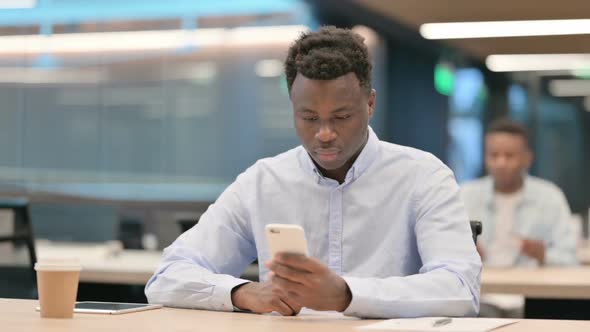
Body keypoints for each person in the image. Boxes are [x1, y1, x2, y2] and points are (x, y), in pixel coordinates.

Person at [145, 26, 481, 319]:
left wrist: (348, 295)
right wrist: (242, 293)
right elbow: (167, 277)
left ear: (370, 104)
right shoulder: (263, 182)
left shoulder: (423, 176)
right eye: (308, 117)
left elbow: (461, 289)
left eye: (341, 117)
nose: (324, 133)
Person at [461, 119, 577, 268]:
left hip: (530, 288)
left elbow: (570, 258)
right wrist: (464, 252)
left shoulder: (550, 197)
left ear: (527, 159)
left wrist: (544, 255)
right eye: (493, 155)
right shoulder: (465, 195)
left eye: (509, 155)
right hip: (479, 287)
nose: (501, 163)